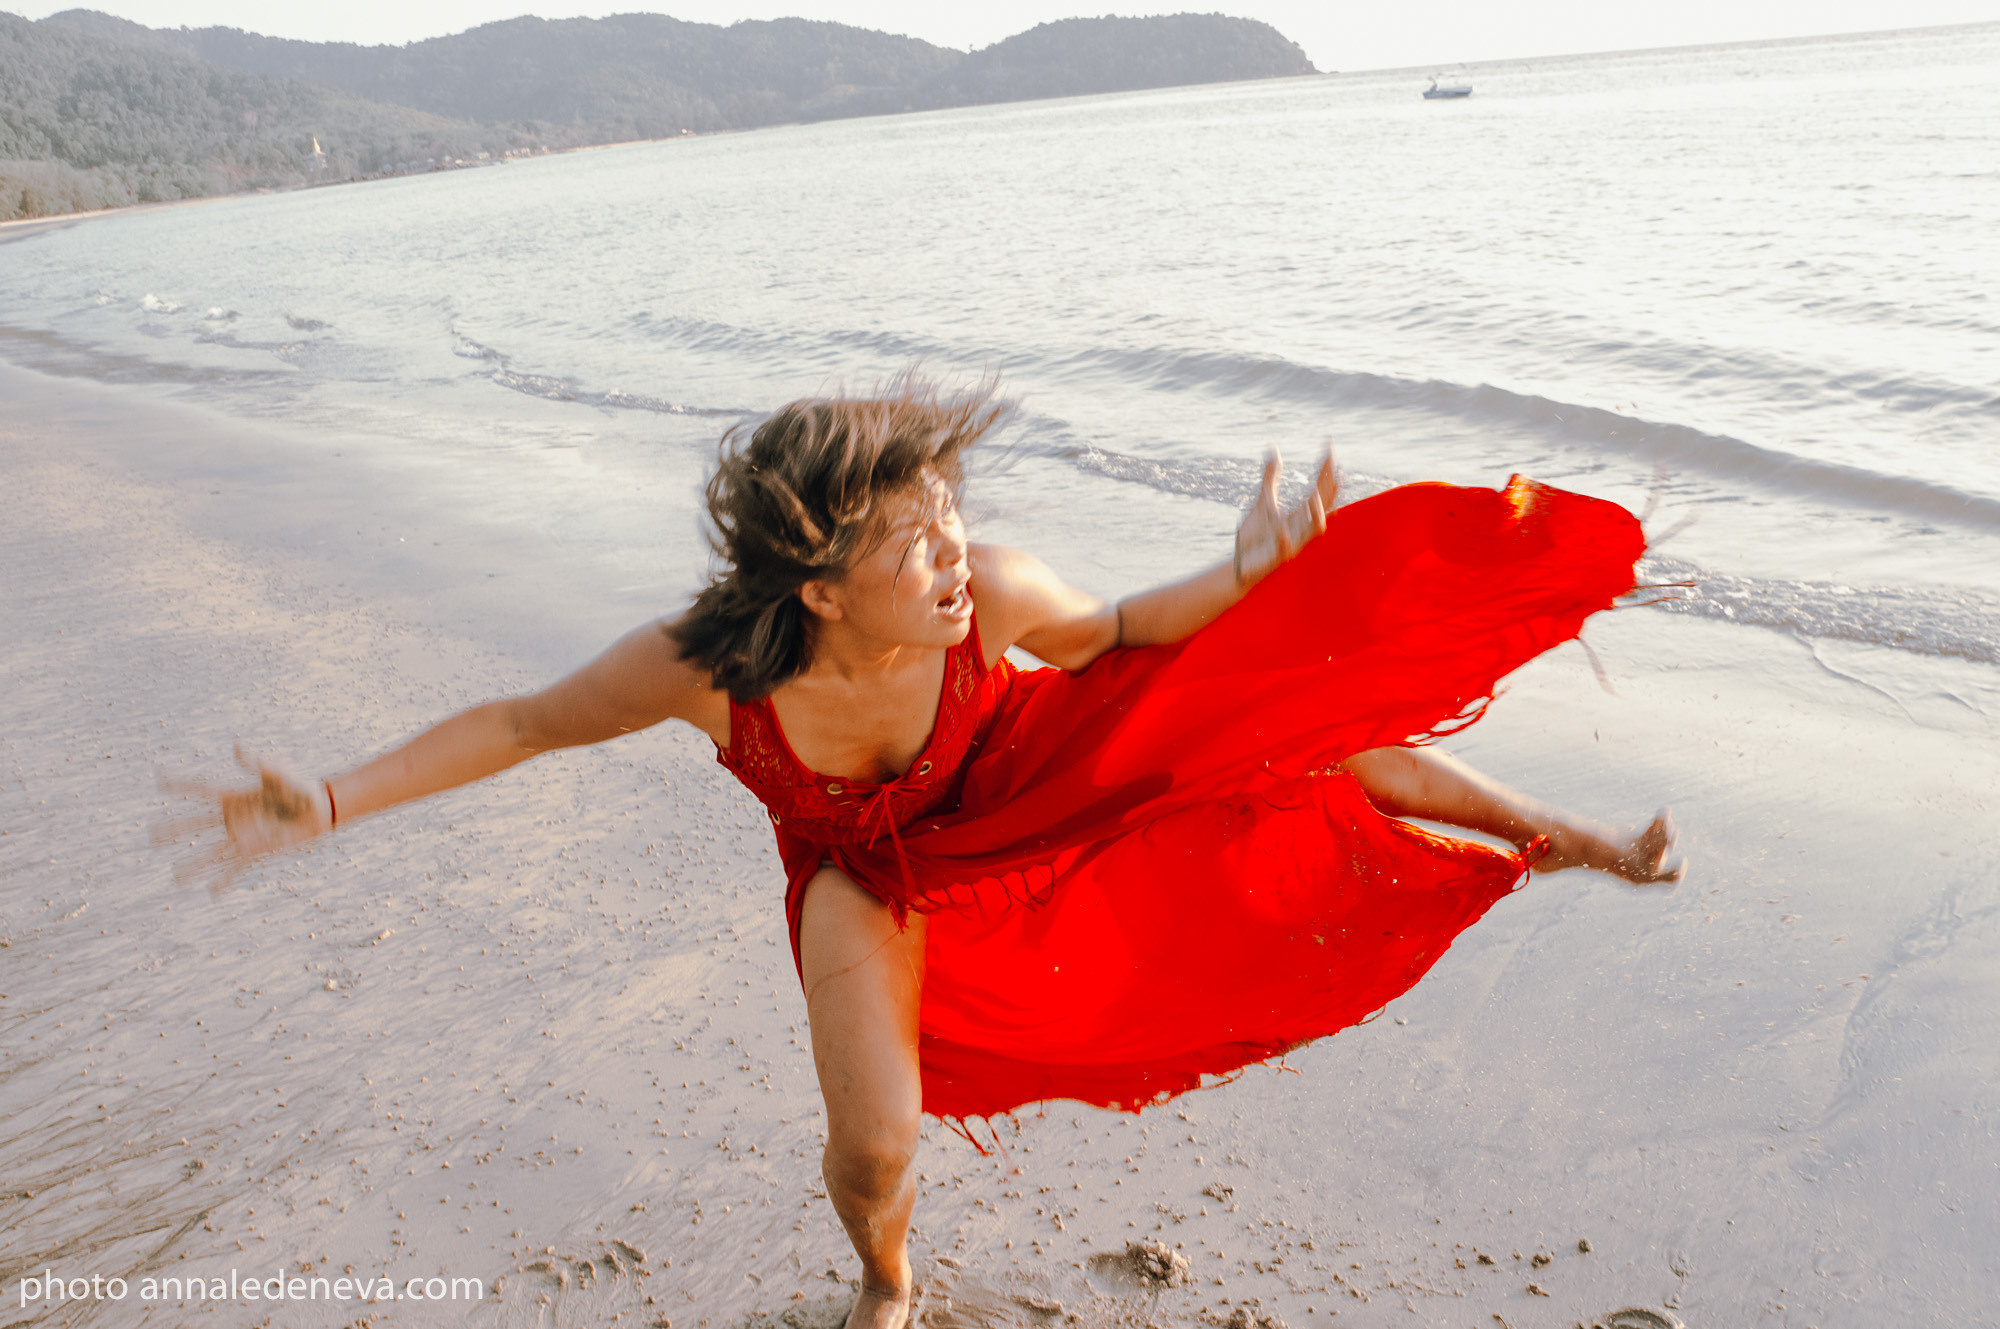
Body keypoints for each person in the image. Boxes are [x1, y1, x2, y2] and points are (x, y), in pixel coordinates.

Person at [170, 378, 1680, 1329]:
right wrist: (333, 798)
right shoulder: (708, 669)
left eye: (954, 514)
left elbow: (1121, 633)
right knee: (872, 1143)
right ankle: (888, 1283)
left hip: (1016, 764)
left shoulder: (998, 594)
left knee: (1248, 724)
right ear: (819, 587)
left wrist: (1241, 575)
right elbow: (519, 721)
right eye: (915, 537)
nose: (956, 552)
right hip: (858, 865)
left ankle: (1563, 835)